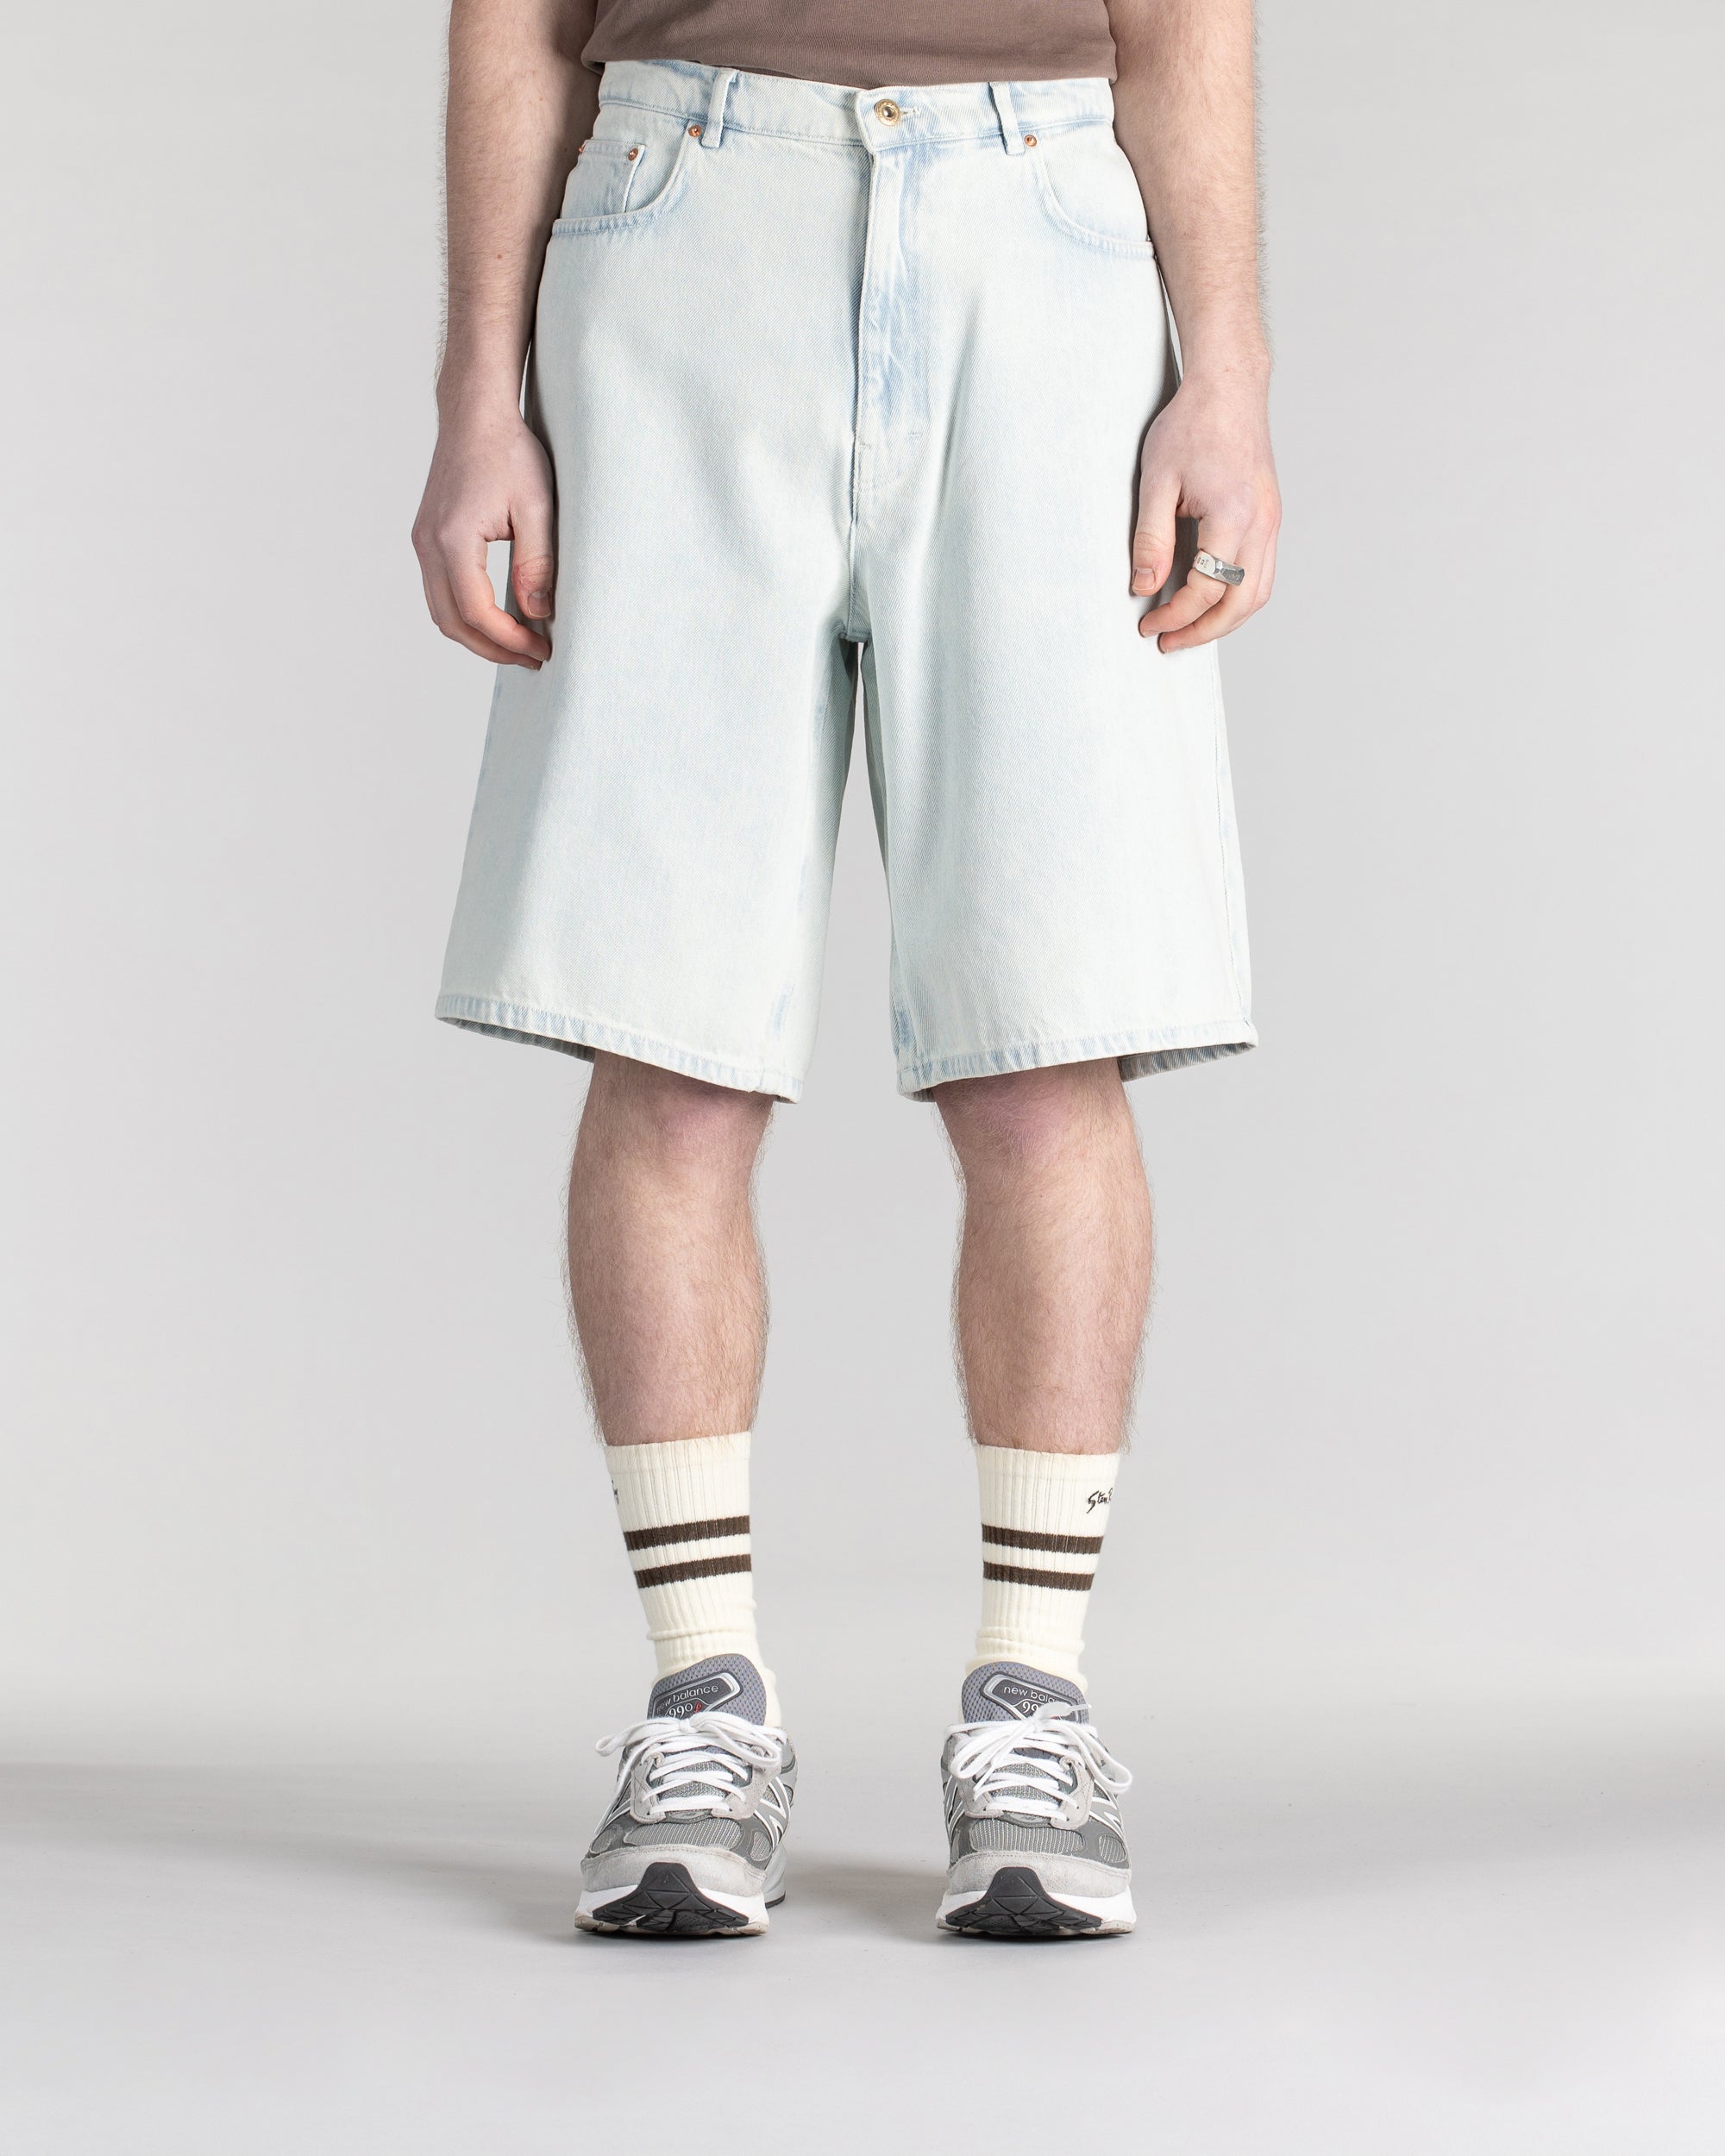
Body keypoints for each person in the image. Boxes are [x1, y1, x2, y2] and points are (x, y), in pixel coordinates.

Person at [413, 0, 1278, 1940]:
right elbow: (514, 16)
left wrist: (1224, 370)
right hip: (682, 218)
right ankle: (700, 1705)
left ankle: (1032, 1708)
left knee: (1046, 1041)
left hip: (1044, 225)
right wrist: (480, 393)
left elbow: (1183, 14)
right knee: (671, 1039)